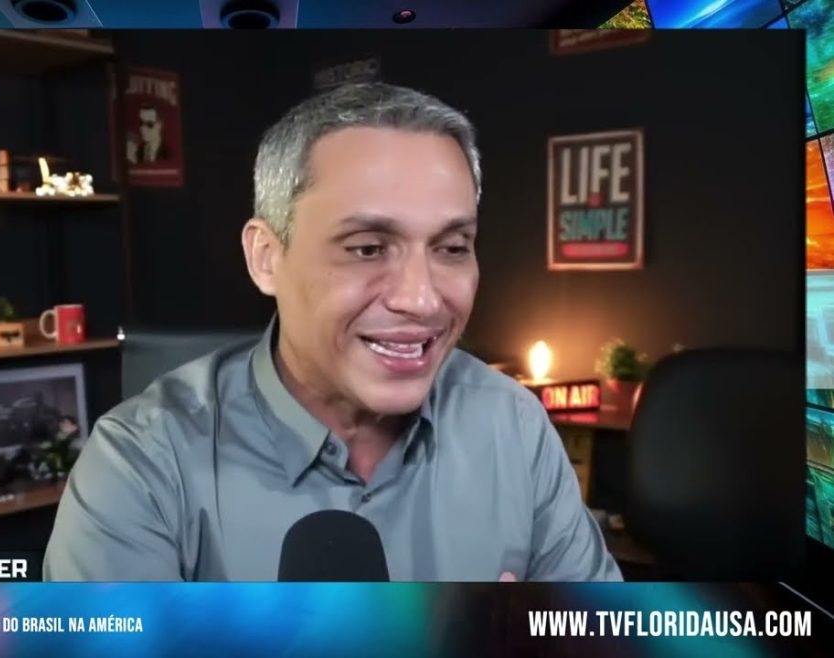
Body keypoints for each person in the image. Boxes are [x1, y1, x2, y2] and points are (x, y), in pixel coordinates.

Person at [44, 82, 621, 582]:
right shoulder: (141, 465)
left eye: (451, 248)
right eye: (367, 248)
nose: (422, 299)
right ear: (266, 258)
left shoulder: (512, 426)